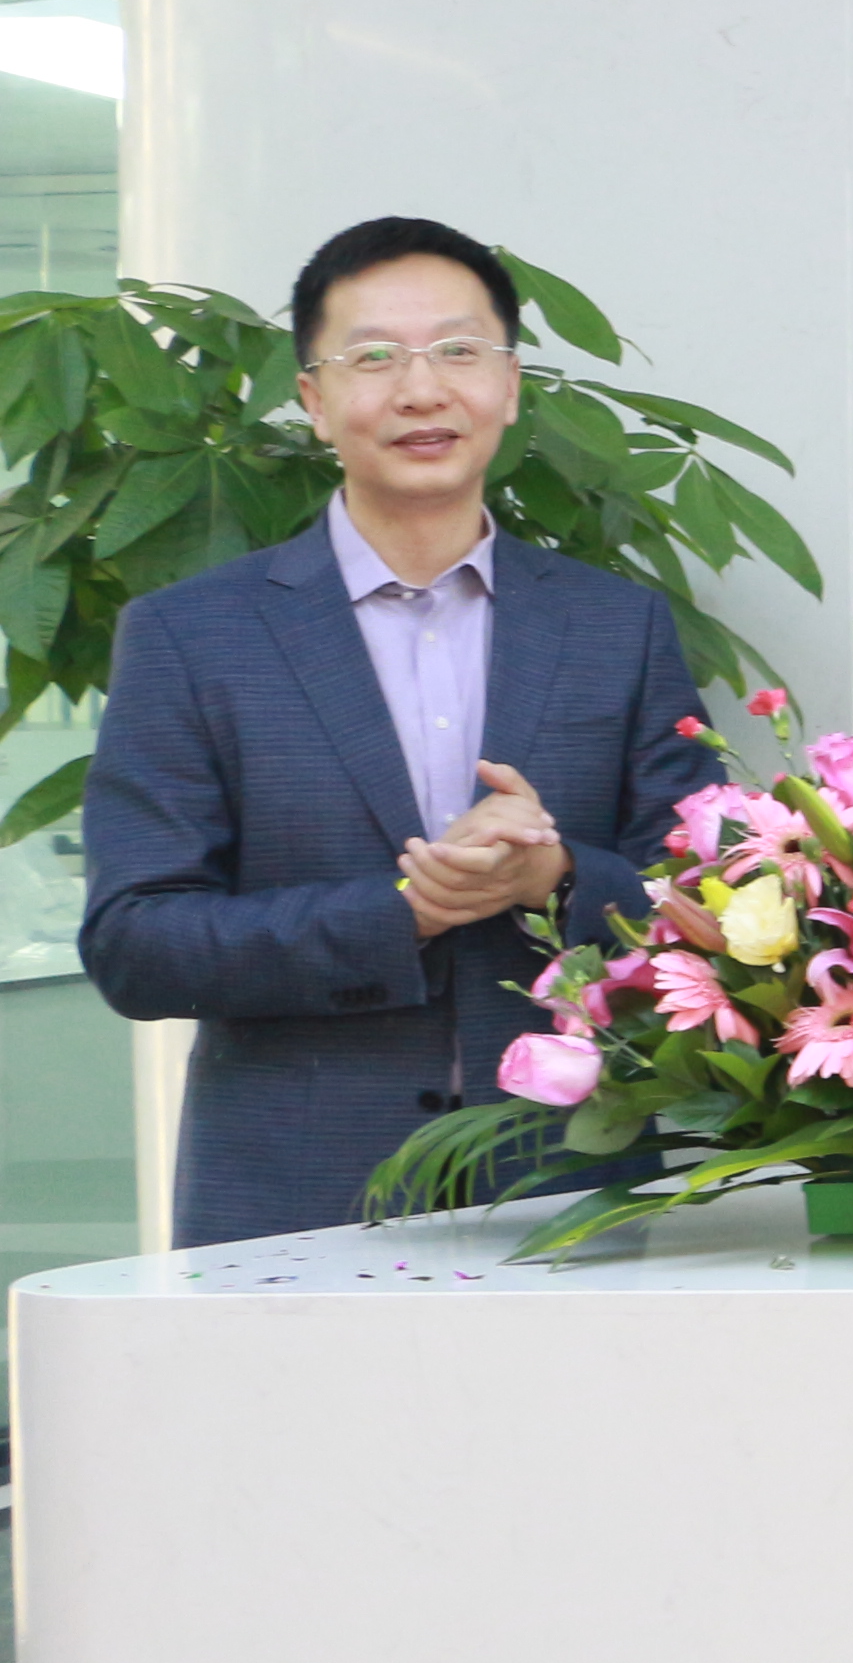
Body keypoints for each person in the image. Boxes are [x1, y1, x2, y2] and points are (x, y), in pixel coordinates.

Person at [79, 217, 709, 1248]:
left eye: (460, 351)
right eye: (373, 358)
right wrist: (401, 914)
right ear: (314, 399)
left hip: (569, 1195)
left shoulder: (615, 627)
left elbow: (707, 905)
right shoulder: (191, 636)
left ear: (510, 385)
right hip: (293, 1207)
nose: (422, 390)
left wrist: (555, 878)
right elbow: (135, 945)